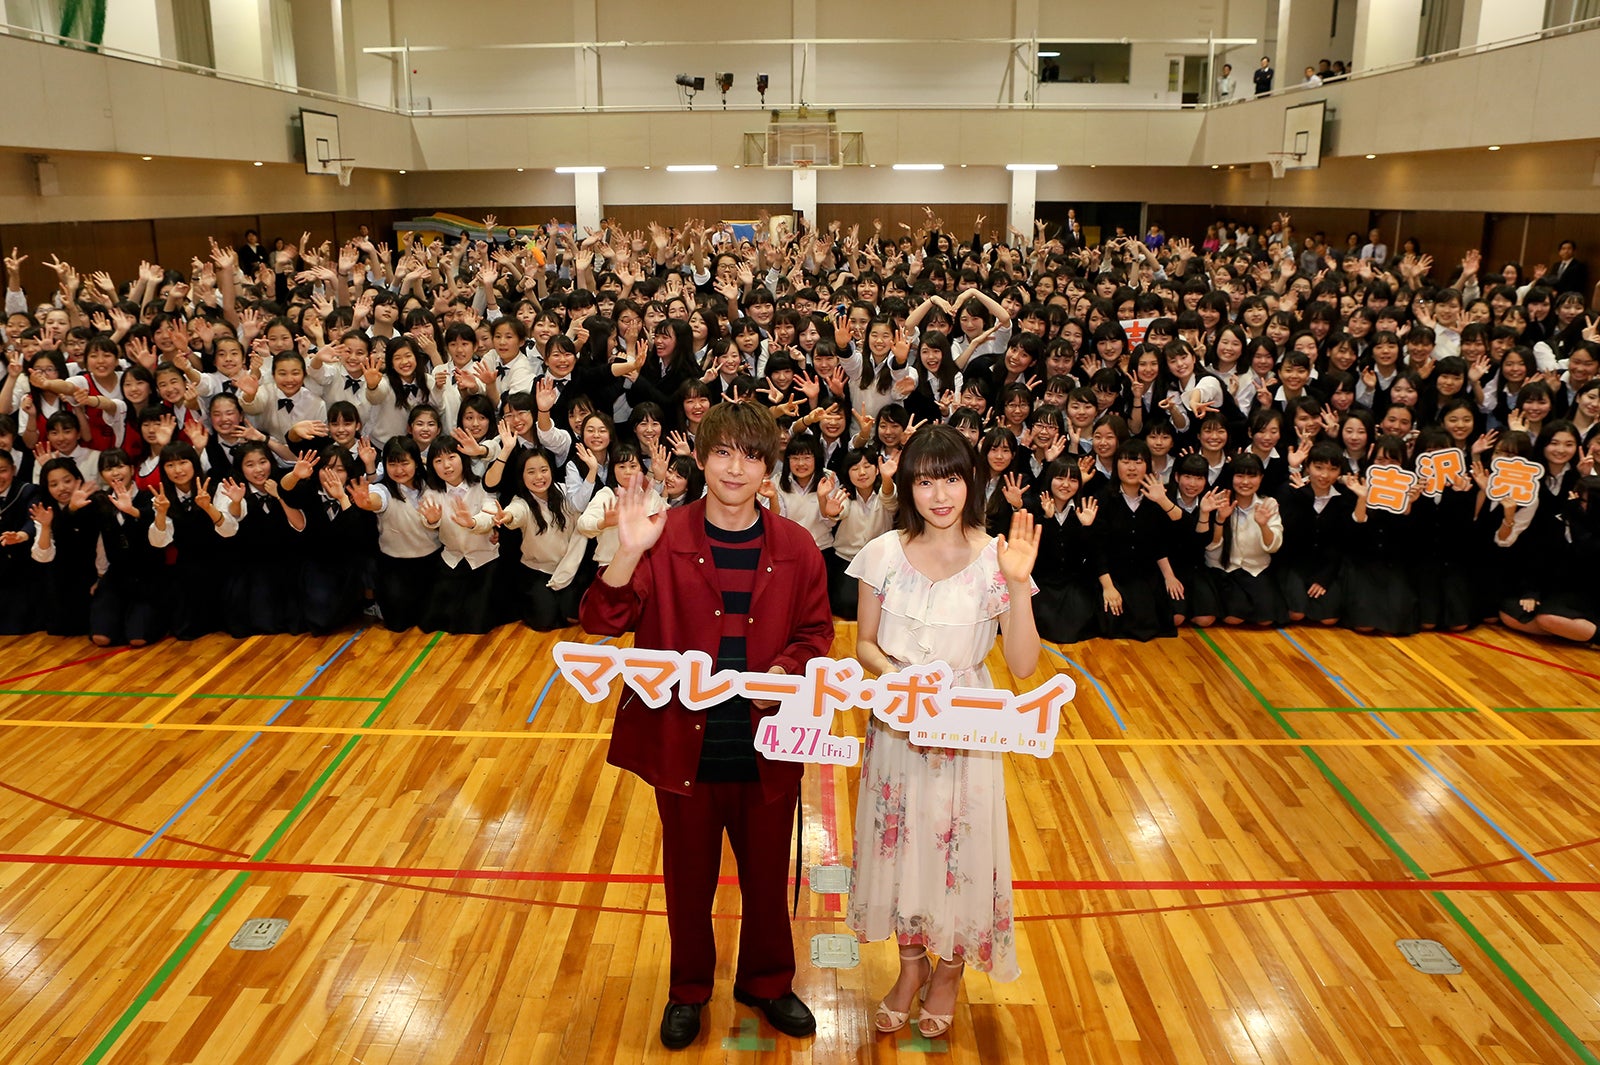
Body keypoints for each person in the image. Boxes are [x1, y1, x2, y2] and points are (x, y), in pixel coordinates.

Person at [579, 401, 833, 1051]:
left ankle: (767, 981)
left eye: (751, 455)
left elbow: (816, 635)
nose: (735, 467)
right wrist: (624, 551)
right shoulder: (662, 536)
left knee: (767, 880)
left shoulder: (798, 547)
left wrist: (778, 672)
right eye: (723, 452)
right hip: (681, 747)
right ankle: (688, 989)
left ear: (766, 466)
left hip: (766, 746)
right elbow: (601, 619)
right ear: (700, 456)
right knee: (687, 883)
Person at [845, 424, 1041, 1039]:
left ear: (971, 482)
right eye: (925, 480)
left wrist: (1016, 583)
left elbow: (1025, 664)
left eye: (951, 478)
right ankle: (908, 969)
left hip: (969, 724)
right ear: (907, 484)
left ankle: (950, 971)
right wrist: (903, 680)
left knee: (962, 848)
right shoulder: (880, 554)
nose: (938, 494)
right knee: (899, 845)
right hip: (900, 719)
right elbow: (865, 645)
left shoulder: (996, 558)